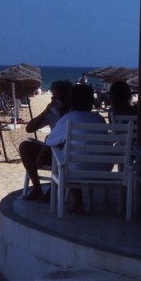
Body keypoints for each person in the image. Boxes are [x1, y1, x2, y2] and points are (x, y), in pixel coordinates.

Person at [46, 84, 106, 214]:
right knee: (78, 154)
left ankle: (78, 204)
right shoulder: (100, 119)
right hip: (103, 167)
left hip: (78, 170)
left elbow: (50, 141)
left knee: (69, 157)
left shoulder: (68, 118)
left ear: (71, 100)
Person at [19, 80, 73, 201]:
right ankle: (37, 188)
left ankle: (52, 190)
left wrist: (42, 152)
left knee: (60, 149)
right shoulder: (53, 113)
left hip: (68, 153)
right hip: (53, 150)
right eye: (53, 98)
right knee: (25, 146)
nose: (56, 101)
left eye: (59, 98)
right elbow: (30, 128)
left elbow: (59, 139)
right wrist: (46, 111)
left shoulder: (73, 114)